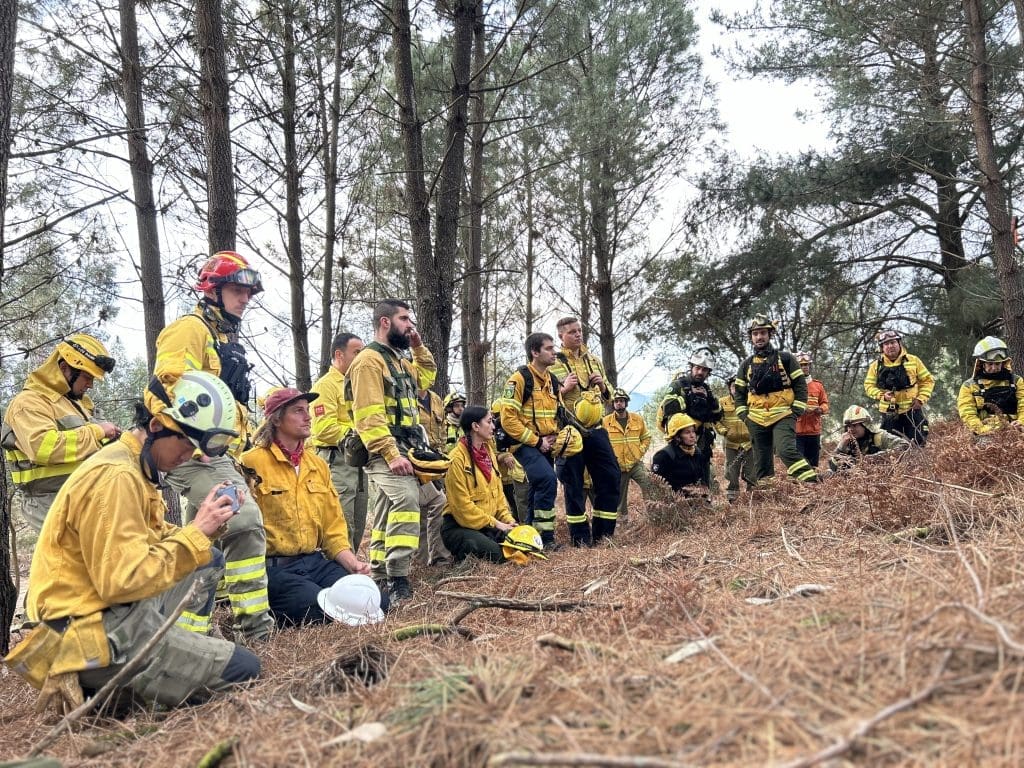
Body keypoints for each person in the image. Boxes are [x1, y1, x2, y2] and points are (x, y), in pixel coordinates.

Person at [5, 371, 259, 714]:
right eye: (186, 443)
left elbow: (150, 540)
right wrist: (195, 532)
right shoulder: (118, 477)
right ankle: (108, 691)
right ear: (155, 426)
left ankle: (159, 668)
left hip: (103, 615)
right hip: (86, 633)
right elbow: (121, 582)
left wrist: (207, 525)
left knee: (206, 557)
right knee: (244, 669)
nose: (191, 455)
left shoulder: (134, 467)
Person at [153, 250, 273, 644]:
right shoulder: (189, 329)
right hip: (195, 451)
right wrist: (197, 441)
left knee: (202, 535)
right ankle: (255, 628)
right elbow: (168, 386)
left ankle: (190, 629)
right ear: (213, 290)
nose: (245, 299)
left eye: (249, 293)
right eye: (238, 290)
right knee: (245, 522)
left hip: (220, 452)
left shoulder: (223, 335)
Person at [241, 388, 386, 627]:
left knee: (374, 602)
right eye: (298, 411)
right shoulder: (251, 463)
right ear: (276, 418)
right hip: (273, 569)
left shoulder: (318, 465)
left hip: (314, 563)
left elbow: (332, 528)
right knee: (316, 606)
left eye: (307, 410)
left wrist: (354, 565)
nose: (308, 417)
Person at [346, 299, 447, 605]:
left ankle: (378, 574)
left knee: (392, 508)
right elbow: (369, 416)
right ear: (385, 323)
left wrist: (418, 347)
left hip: (409, 449)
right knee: (406, 499)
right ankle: (398, 578)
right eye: (404, 319)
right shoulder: (368, 362)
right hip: (385, 451)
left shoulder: (400, 361)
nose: (410, 325)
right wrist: (390, 453)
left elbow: (427, 378)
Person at [1, 334, 119, 532]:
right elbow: (44, 448)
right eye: (87, 377)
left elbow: (90, 447)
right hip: (49, 502)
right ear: (64, 368)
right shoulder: (29, 403)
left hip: (83, 496)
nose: (90, 384)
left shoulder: (75, 404)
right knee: (66, 561)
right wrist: (98, 431)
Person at [550, 316, 621, 546]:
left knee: (611, 476)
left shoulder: (594, 359)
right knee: (573, 484)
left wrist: (602, 384)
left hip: (597, 429)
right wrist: (564, 389)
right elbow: (544, 398)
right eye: (572, 332)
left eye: (579, 330)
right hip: (570, 432)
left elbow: (610, 393)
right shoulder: (554, 363)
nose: (578, 335)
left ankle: (604, 535)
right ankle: (580, 539)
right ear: (561, 336)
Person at [734, 314, 818, 484]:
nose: (759, 337)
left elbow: (800, 385)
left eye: (763, 333)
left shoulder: (786, 358)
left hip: (783, 414)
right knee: (762, 459)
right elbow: (739, 394)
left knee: (785, 450)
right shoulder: (746, 364)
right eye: (755, 333)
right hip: (756, 418)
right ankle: (767, 495)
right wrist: (745, 416)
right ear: (751, 337)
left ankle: (812, 483)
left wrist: (796, 410)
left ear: (770, 334)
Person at [497, 333, 562, 548]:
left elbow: (556, 413)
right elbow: (508, 420)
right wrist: (536, 441)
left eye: (554, 348)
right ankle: (546, 538)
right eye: (549, 348)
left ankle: (527, 535)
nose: (554, 352)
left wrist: (557, 434)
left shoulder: (552, 381)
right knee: (547, 480)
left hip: (547, 445)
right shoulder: (519, 379)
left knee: (537, 486)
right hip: (525, 444)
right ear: (535, 352)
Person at [311, 332, 369, 554]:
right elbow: (323, 429)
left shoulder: (358, 385)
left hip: (359, 463)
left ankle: (351, 570)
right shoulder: (325, 386)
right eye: (356, 353)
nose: (361, 357)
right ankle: (337, 575)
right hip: (337, 462)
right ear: (339, 354)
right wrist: (356, 433)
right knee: (341, 523)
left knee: (358, 522)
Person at [440, 405, 518, 562]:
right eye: (489, 422)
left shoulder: (489, 453)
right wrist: (497, 524)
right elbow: (463, 508)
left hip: (487, 525)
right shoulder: (456, 459)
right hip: (459, 527)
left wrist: (509, 521)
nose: (494, 426)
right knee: (499, 556)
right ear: (475, 426)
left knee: (521, 546)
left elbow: (499, 496)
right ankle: (463, 558)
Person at [656, 352, 722, 486]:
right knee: (681, 473)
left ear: (708, 372)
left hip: (702, 438)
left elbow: (717, 415)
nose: (700, 372)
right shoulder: (678, 386)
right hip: (681, 437)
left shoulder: (706, 390)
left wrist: (713, 403)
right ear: (691, 367)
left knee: (703, 472)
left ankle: (704, 500)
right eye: (697, 368)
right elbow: (670, 411)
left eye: (704, 370)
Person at [863, 329, 934, 446]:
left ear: (899, 343)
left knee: (918, 442)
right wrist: (881, 395)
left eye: (893, 342)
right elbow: (868, 386)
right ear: (882, 348)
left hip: (912, 409)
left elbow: (928, 381)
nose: (890, 346)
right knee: (892, 446)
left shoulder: (913, 360)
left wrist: (921, 399)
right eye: (886, 344)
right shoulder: (876, 366)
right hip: (889, 412)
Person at [602, 388, 653, 525]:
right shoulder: (605, 422)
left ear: (626, 403)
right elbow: (602, 443)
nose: (619, 403)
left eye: (622, 401)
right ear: (613, 404)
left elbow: (646, 437)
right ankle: (622, 523)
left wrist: (640, 451)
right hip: (617, 467)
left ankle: (653, 515)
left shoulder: (637, 419)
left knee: (649, 483)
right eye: (617, 401)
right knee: (619, 497)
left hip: (635, 464)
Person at [957, 336, 1024, 435]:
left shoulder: (1016, 381)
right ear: (982, 363)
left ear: (1003, 362)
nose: (994, 368)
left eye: (997, 364)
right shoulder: (969, 386)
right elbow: (967, 413)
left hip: (1016, 431)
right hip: (986, 434)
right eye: (990, 364)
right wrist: (984, 430)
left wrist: (1021, 422)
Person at [828, 405, 911, 472]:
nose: (851, 429)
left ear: (865, 425)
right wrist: (840, 447)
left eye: (854, 425)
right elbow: (833, 467)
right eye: (848, 426)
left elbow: (905, 446)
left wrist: (874, 458)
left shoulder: (880, 436)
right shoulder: (847, 442)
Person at [715, 376, 757, 502]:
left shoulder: (752, 401)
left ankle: (752, 497)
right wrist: (723, 431)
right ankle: (733, 498)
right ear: (729, 388)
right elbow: (715, 419)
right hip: (731, 443)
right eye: (734, 386)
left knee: (752, 470)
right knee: (731, 471)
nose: (737, 389)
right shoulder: (722, 402)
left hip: (749, 443)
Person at [651, 413, 711, 495]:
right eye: (687, 432)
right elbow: (656, 486)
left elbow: (702, 479)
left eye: (693, 431)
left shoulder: (697, 452)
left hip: (697, 501)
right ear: (677, 437)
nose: (692, 435)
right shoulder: (663, 456)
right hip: (675, 502)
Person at [794, 351, 830, 469]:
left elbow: (825, 403)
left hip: (814, 430)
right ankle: (799, 485)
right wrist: (800, 409)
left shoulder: (818, 385)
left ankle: (813, 485)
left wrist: (820, 409)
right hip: (797, 431)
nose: (804, 367)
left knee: (814, 463)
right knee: (799, 462)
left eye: (806, 365)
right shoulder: (792, 386)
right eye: (801, 365)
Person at [417, 385, 446, 453]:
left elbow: (443, 427)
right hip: (418, 453)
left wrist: (443, 451)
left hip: (437, 452)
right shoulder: (409, 398)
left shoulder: (436, 399)